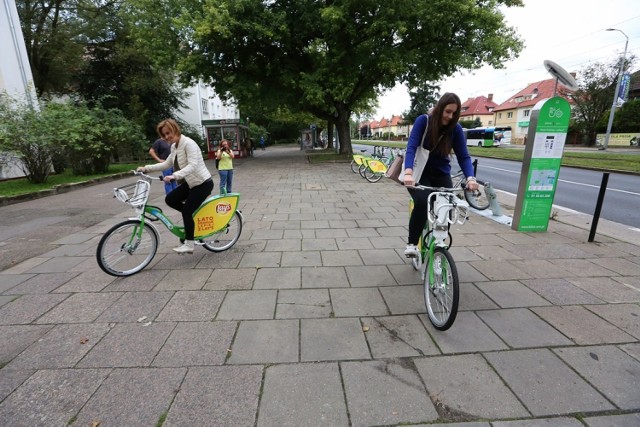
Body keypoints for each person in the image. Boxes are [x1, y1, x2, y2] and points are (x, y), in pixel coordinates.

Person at [402, 93, 479, 258]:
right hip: (419, 173)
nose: (450, 116)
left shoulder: (455, 129)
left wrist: (471, 178)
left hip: (441, 174)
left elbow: (464, 156)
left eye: (454, 113)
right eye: (447, 112)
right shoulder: (424, 121)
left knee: (448, 207)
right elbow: (411, 147)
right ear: (439, 109)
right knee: (422, 203)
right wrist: (408, 173)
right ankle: (412, 243)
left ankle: (439, 245)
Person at [137, 119, 213, 254]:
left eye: (168, 133)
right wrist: (146, 168)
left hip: (202, 183)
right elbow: (166, 164)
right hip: (190, 183)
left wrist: (174, 175)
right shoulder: (174, 147)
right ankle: (191, 219)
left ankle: (190, 244)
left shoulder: (189, 143)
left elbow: (193, 165)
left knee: (186, 211)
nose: (166, 137)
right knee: (170, 199)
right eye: (164, 135)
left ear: (175, 129)